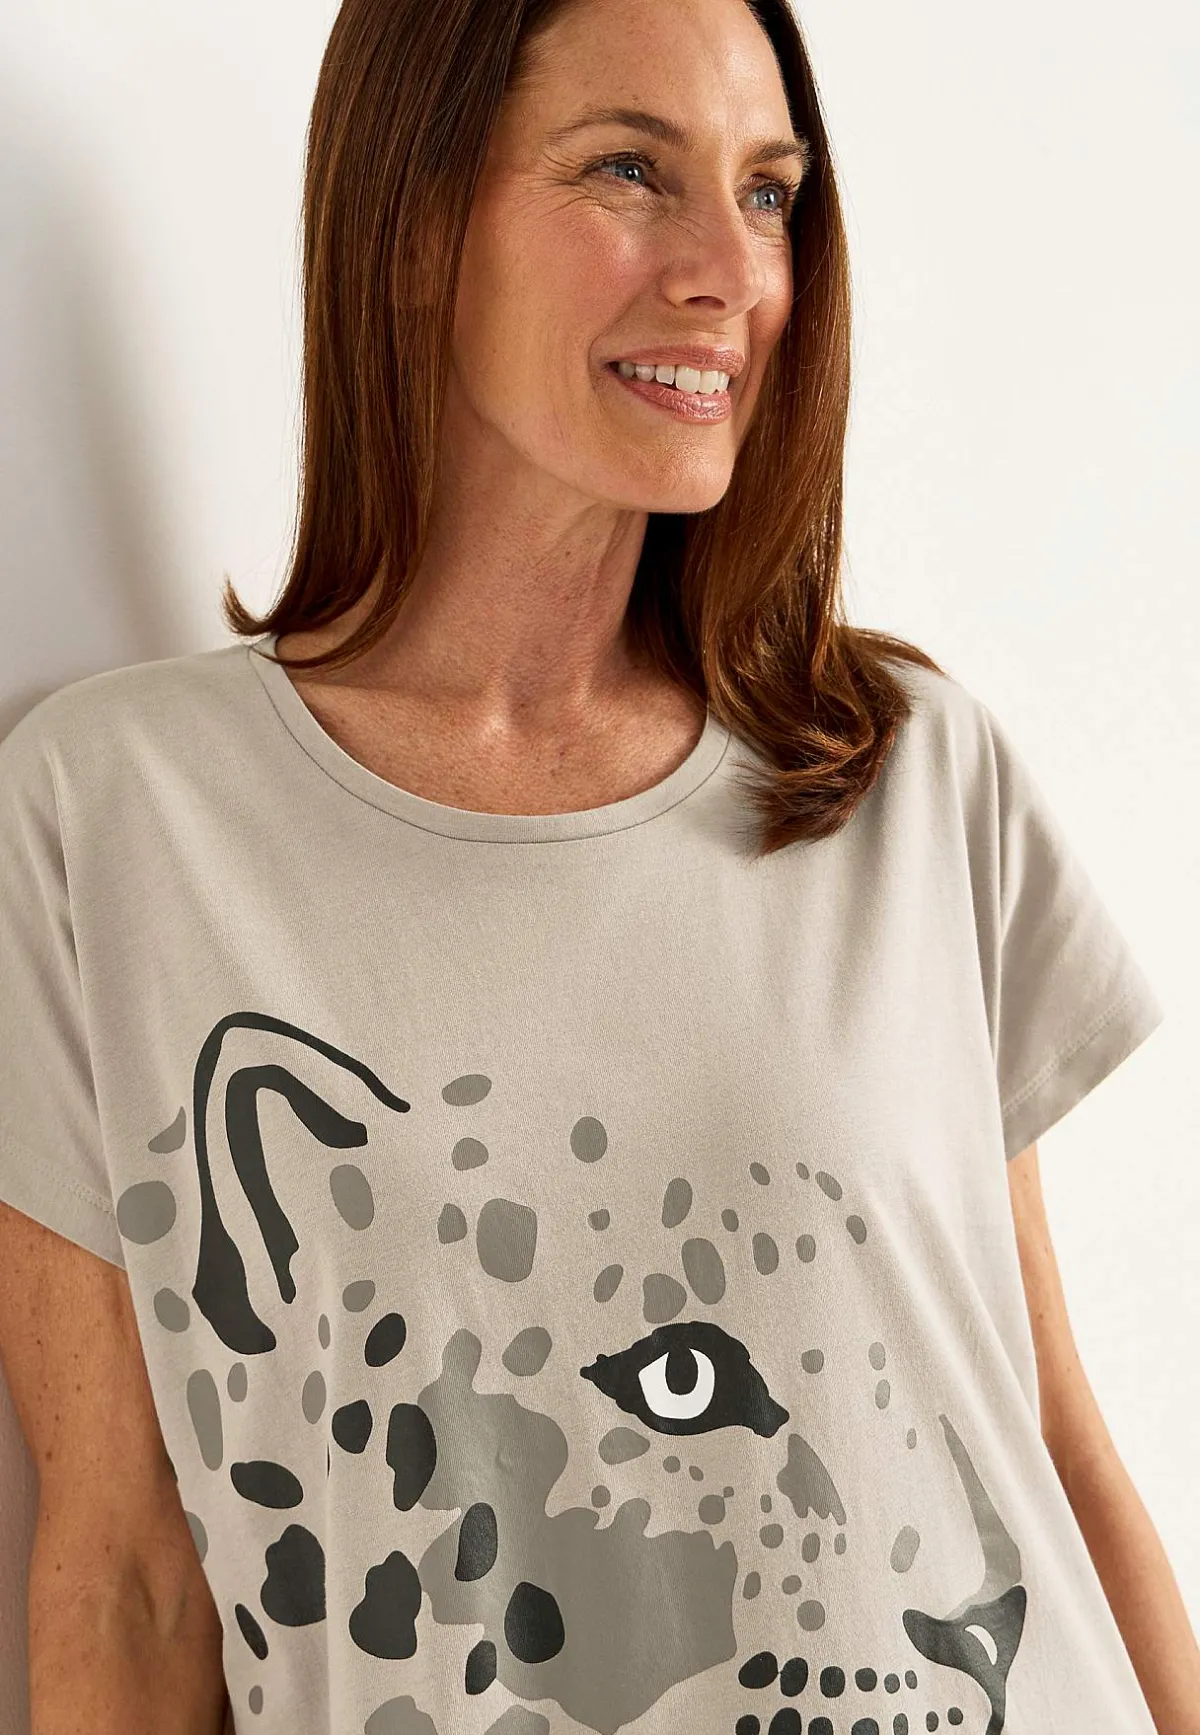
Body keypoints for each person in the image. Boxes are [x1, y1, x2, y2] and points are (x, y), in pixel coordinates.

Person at [0, 0, 1195, 1731]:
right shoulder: (110, 815)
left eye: (769, 193)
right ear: (416, 223)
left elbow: (1056, 1443)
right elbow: (127, 1578)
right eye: (632, 170)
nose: (732, 274)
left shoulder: (904, 771)